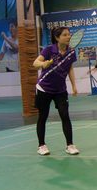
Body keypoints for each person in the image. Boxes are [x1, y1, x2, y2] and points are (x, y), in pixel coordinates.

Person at [33, 27, 79, 156]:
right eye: (65, 35)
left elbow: (70, 69)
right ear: (57, 38)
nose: (68, 36)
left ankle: (70, 145)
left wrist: (74, 85)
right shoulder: (49, 50)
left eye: (69, 34)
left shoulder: (71, 52)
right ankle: (41, 146)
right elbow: (35, 63)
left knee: (65, 115)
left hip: (60, 90)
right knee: (43, 116)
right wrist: (43, 64)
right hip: (44, 88)